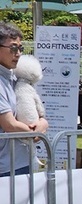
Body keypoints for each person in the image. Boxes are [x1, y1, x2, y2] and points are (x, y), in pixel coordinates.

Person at [0, 22, 49, 177]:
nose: (18, 53)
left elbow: (38, 113)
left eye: (20, 48)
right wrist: (35, 133)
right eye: (13, 48)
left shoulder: (16, 77)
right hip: (5, 167)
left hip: (23, 161)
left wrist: (42, 123)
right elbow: (10, 125)